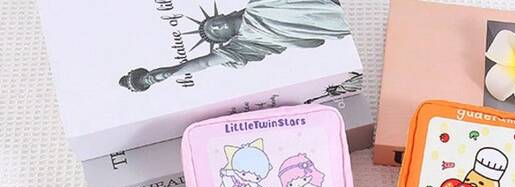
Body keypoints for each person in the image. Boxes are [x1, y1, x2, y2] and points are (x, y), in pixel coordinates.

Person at [120, 0, 351, 92]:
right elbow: (205, 63)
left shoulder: (257, 5)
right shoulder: (247, 42)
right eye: (215, 33)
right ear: (225, 40)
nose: (216, 27)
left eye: (212, 23)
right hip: (334, 21)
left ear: (223, 14)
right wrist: (157, 76)